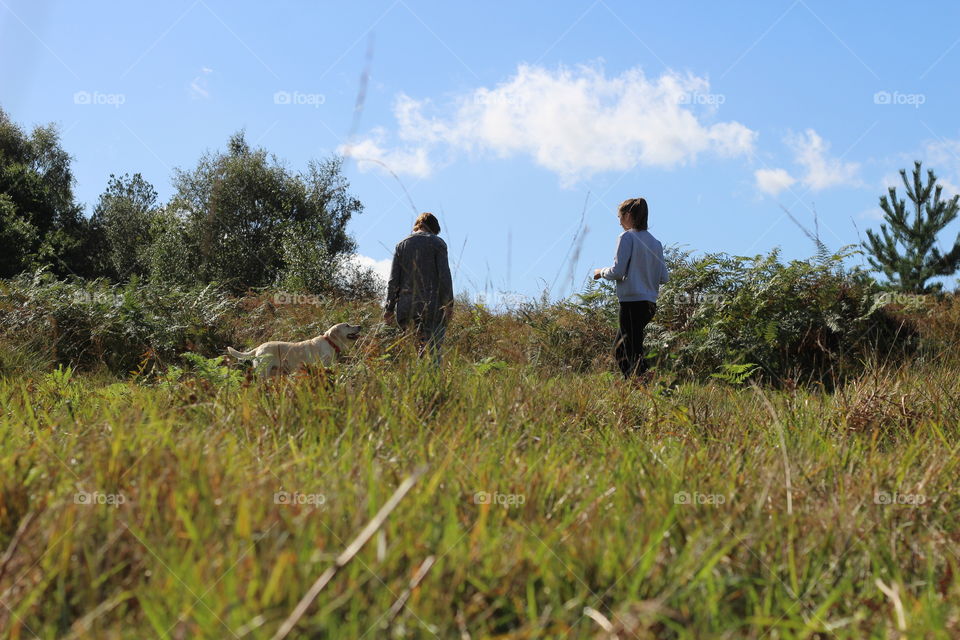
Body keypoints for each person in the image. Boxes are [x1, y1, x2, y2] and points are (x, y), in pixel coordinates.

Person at [593, 197, 668, 379]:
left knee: (631, 351)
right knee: (621, 350)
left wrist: (600, 272)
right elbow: (664, 278)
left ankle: (642, 384)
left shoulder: (626, 237)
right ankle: (636, 384)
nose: (619, 222)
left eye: (620, 217)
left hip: (631, 304)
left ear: (628, 215)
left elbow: (618, 271)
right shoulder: (656, 243)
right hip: (649, 304)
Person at [384, 212, 454, 362]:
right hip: (431, 308)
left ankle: (413, 383)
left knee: (413, 352)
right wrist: (449, 305)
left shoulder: (401, 245)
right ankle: (431, 383)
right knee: (432, 353)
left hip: (405, 309)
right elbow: (444, 276)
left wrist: (389, 309)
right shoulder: (438, 243)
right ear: (433, 229)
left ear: (417, 225)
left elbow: (393, 281)